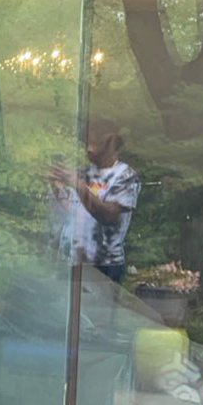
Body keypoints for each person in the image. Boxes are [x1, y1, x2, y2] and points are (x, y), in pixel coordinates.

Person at [50, 119, 141, 283]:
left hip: (104, 265)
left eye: (97, 143)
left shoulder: (125, 176)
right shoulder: (84, 172)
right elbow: (75, 210)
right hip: (74, 261)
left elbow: (109, 216)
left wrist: (77, 184)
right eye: (88, 142)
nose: (90, 149)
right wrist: (57, 187)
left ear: (112, 145)